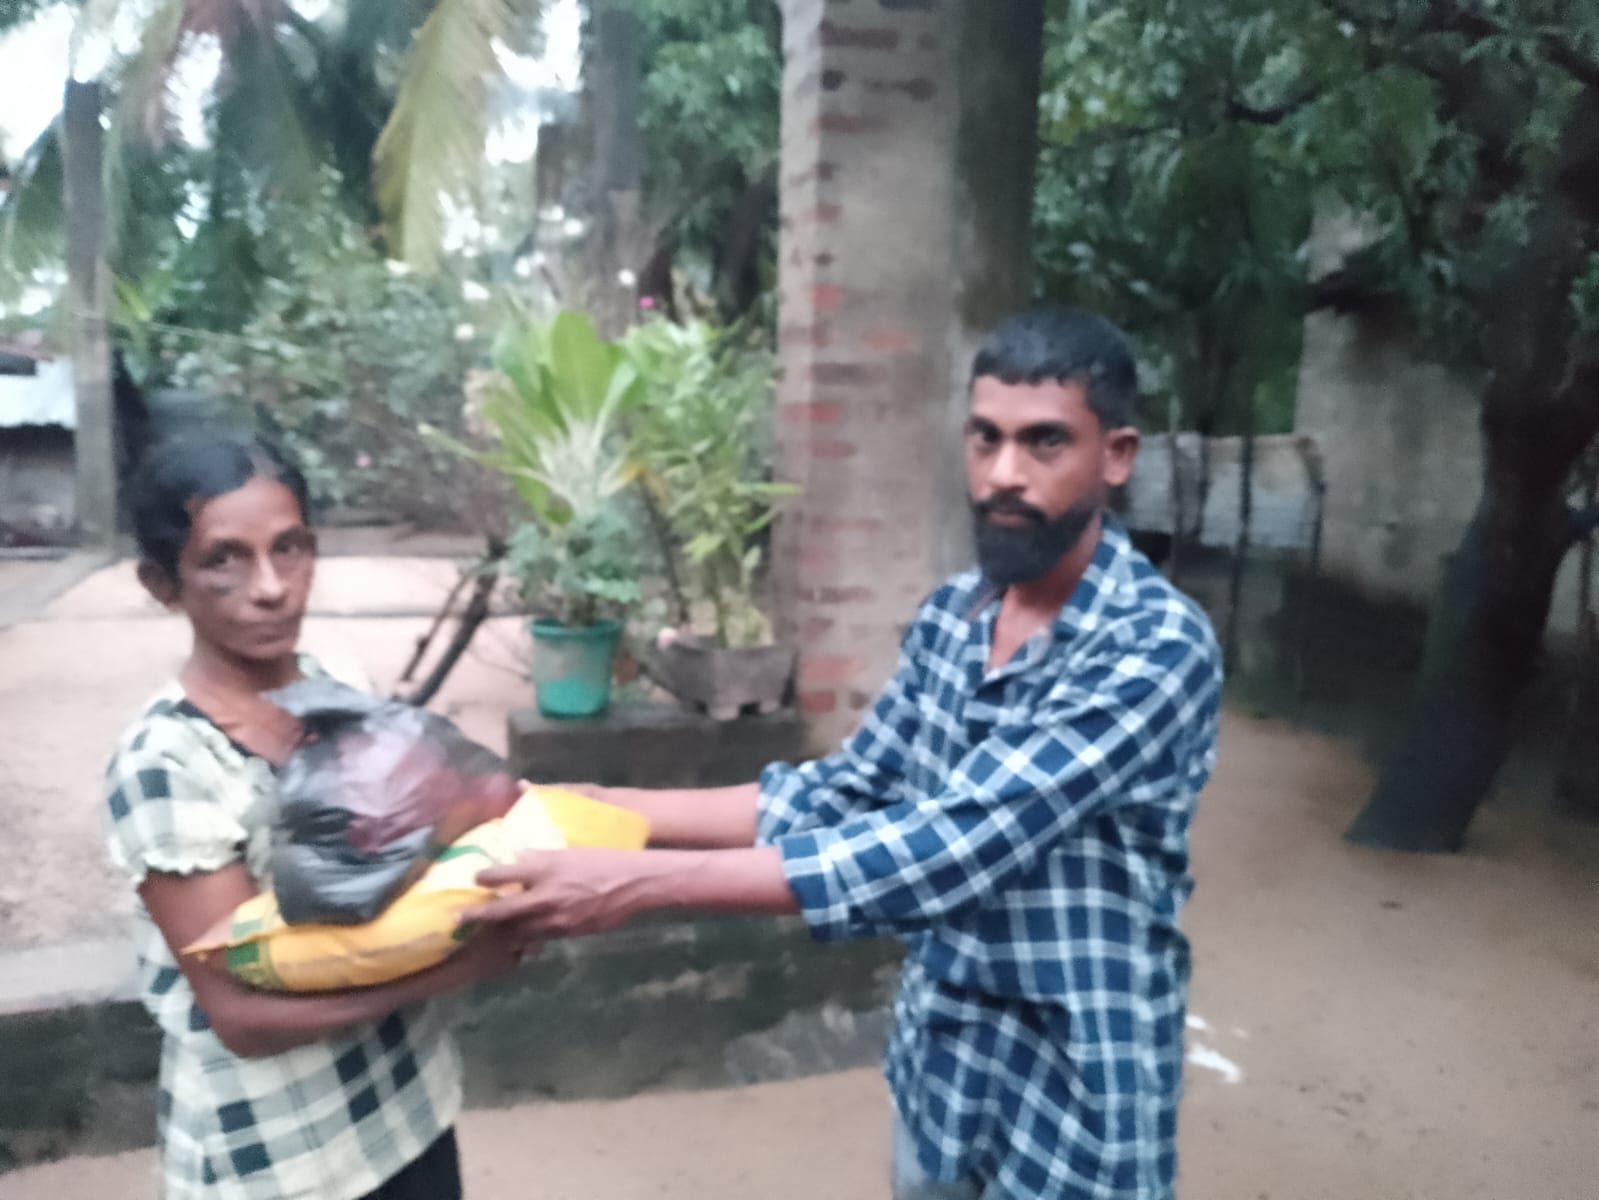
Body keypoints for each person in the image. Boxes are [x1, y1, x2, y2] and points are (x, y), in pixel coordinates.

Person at [466, 307, 1224, 1199]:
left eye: (1044, 442)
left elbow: (949, 847)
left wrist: (637, 881)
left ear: (1116, 456)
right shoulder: (954, 617)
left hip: (1069, 1094)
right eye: (984, 438)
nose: (1002, 474)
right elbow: (848, 791)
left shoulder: (1153, 647)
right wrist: (614, 805)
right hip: (942, 1075)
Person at [104, 432, 522, 1199]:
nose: (271, 586)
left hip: (405, 1103)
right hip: (283, 1156)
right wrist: (457, 967)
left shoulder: (334, 685)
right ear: (163, 584)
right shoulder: (167, 761)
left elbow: (396, 858)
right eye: (224, 559)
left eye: (289, 548)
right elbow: (239, 1015)